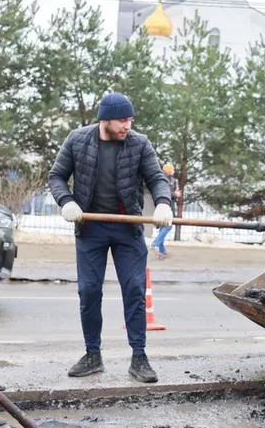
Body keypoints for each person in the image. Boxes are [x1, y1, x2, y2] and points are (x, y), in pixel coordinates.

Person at [48, 93, 173, 383]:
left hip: (127, 229)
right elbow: (56, 176)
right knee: (89, 291)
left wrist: (163, 202)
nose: (128, 125)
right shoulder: (78, 140)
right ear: (105, 119)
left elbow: (156, 178)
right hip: (90, 227)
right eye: (122, 120)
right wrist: (66, 201)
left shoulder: (139, 143)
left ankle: (139, 358)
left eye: (130, 119)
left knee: (134, 290)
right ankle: (93, 355)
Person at [149, 164, 178, 258]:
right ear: (168, 171)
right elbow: (166, 193)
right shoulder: (165, 180)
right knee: (168, 226)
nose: (174, 171)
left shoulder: (170, 180)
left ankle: (162, 250)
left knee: (163, 227)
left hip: (168, 205)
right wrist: (175, 194)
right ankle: (155, 244)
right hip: (167, 206)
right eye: (172, 170)